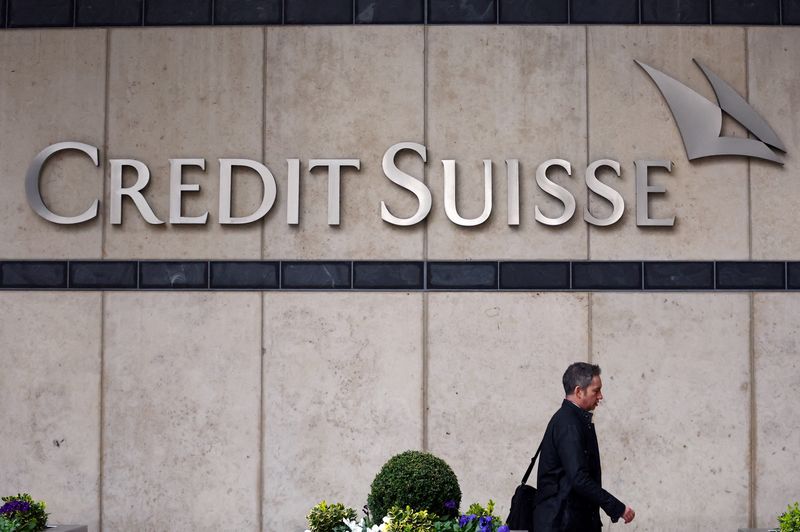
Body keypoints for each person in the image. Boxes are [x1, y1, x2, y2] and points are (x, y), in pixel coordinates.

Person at [532, 362, 635, 531]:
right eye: (596, 390)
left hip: (566, 519)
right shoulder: (568, 423)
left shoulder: (570, 419)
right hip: (563, 523)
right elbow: (579, 477)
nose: (600, 396)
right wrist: (617, 508)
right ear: (579, 391)